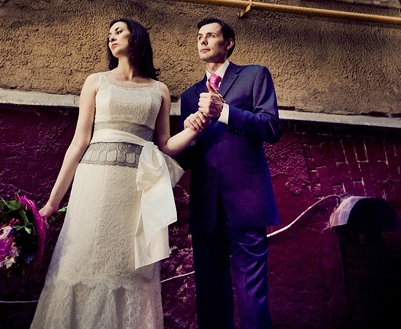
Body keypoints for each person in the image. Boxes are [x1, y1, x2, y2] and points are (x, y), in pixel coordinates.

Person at [30, 18, 207, 329]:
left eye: (119, 31)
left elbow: (165, 145)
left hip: (137, 188)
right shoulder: (96, 82)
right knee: (83, 258)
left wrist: (195, 127)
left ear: (135, 37)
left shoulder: (159, 90)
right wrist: (52, 203)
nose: (111, 37)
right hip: (96, 182)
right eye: (109, 33)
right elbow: (79, 142)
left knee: (129, 267)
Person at [179, 17, 282, 329]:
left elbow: (271, 127)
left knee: (252, 295)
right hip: (206, 206)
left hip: (247, 203)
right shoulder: (189, 96)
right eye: (199, 36)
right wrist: (188, 135)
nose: (203, 40)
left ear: (228, 43)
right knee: (210, 295)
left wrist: (223, 111)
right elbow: (187, 158)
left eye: (211, 35)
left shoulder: (254, 75)